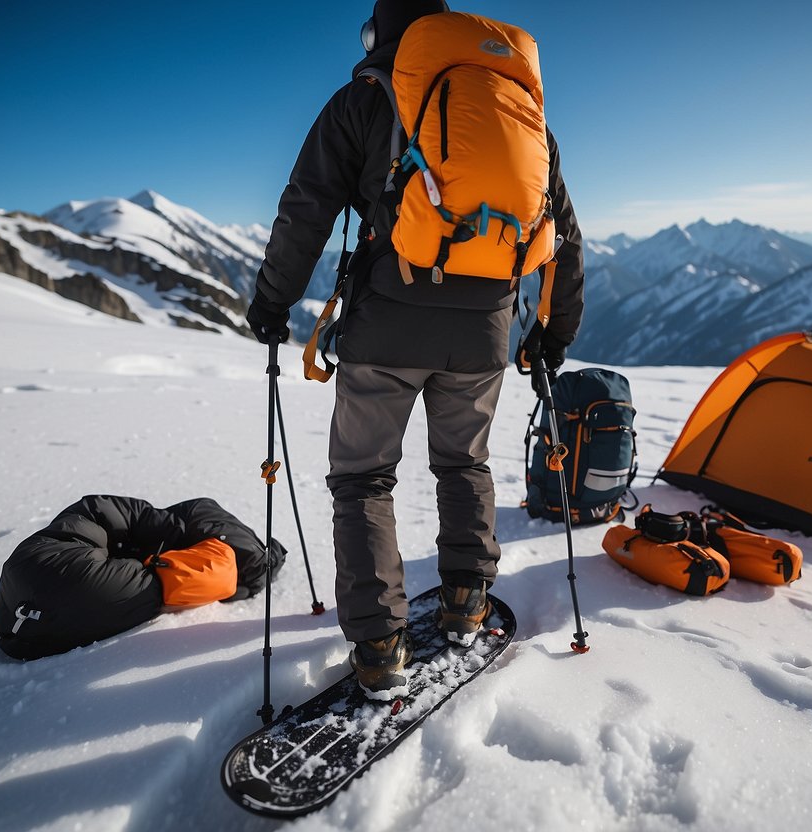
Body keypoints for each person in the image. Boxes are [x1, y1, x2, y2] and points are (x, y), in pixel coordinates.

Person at [245, 0, 585, 699]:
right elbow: (563, 237)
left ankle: (378, 647)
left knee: (363, 479)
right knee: (463, 463)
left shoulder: (363, 99)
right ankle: (465, 604)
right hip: (486, 330)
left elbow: (305, 208)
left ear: (381, 35)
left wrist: (272, 302)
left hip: (386, 328)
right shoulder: (518, 110)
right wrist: (552, 336)